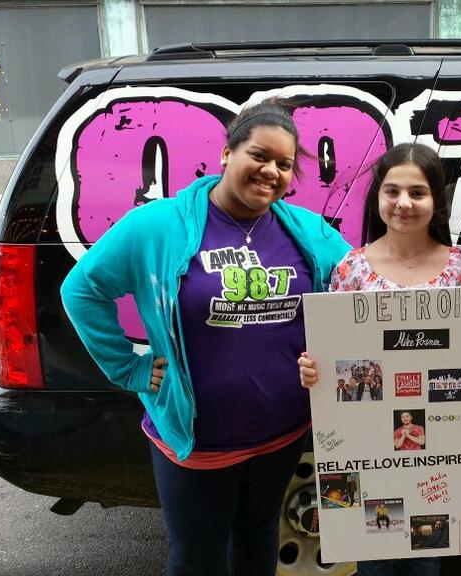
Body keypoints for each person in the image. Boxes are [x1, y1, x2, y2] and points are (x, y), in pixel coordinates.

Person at [60, 101, 351, 576]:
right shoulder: (157, 225)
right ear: (226, 153)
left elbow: (363, 283)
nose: (271, 171)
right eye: (260, 155)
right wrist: (127, 366)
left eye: (283, 164)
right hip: (197, 441)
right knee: (197, 558)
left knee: (258, 538)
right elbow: (81, 289)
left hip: (282, 431)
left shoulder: (306, 231)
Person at [298, 142, 461, 576]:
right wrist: (314, 371)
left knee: (429, 553)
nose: (404, 203)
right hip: (368, 447)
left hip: (445, 451)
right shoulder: (350, 269)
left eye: (418, 193)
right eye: (392, 191)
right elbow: (334, 355)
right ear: (377, 198)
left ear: (436, 199)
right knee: (376, 557)